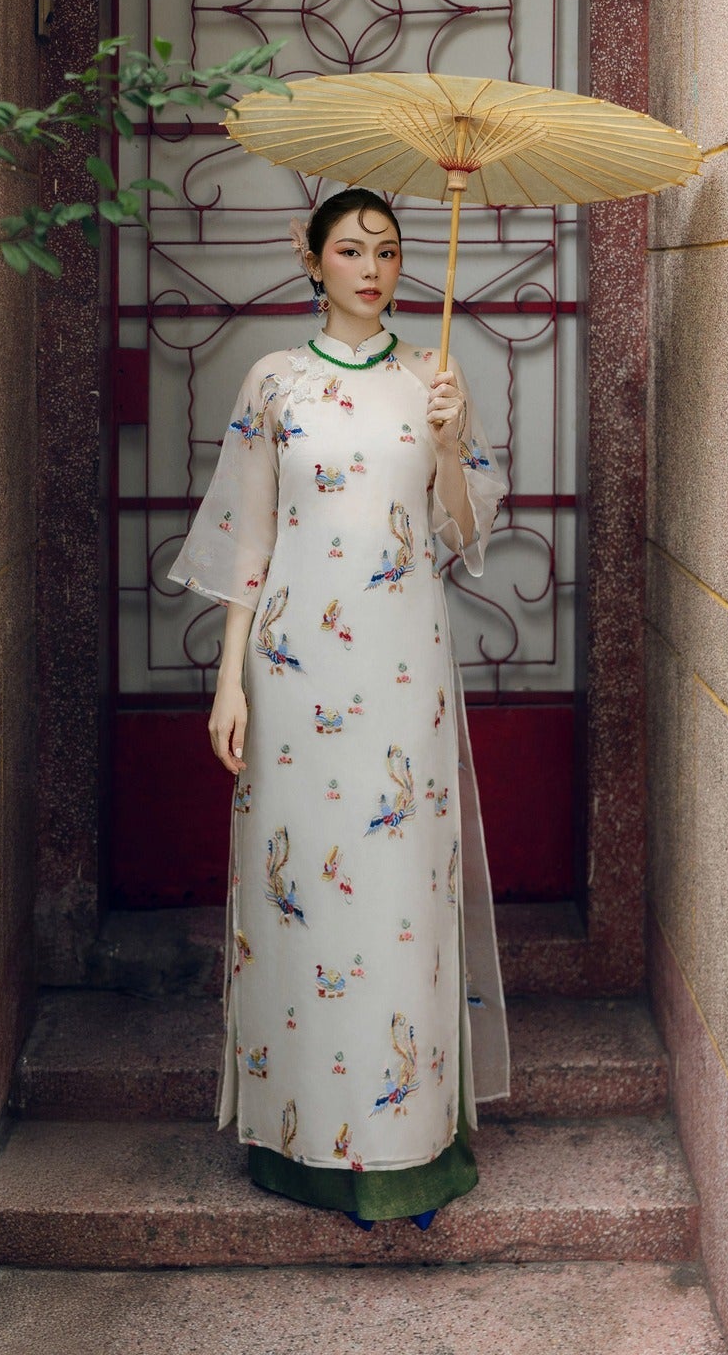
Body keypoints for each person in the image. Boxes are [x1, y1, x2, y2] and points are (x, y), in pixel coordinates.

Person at [168, 188, 510, 1230]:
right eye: (352, 249)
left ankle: (407, 1143)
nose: (373, 266)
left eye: (390, 250)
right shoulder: (273, 381)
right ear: (309, 257)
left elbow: (461, 536)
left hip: (402, 674)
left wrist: (450, 443)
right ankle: (302, 1138)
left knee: (398, 893)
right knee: (301, 903)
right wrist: (230, 676)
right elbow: (247, 539)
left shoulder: (432, 377)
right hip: (293, 665)